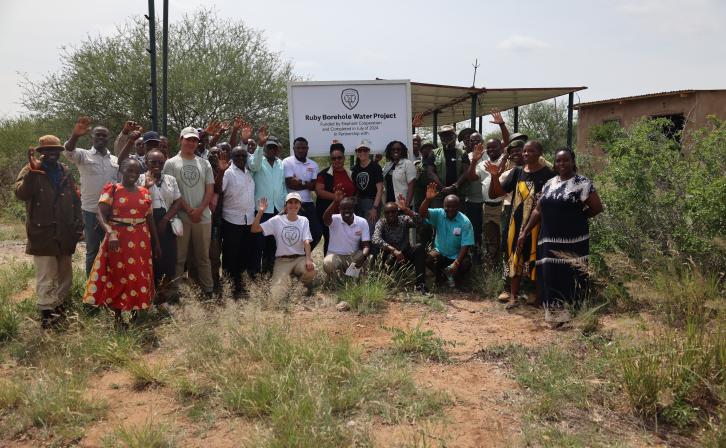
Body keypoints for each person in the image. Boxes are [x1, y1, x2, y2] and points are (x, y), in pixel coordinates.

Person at [517, 148, 603, 326]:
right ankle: (553, 316)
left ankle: (574, 315)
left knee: (572, 274)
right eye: (558, 161)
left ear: (573, 162)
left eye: (566, 160)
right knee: (550, 275)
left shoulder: (582, 183)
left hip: (574, 240)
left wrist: (576, 218)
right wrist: (524, 232)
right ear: (554, 163)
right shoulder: (549, 183)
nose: (562, 164)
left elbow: (596, 208)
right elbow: (538, 210)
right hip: (548, 239)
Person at [15, 135, 83, 328]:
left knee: (65, 276)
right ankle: (47, 315)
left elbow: (75, 199)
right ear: (41, 152)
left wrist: (78, 225)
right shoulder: (30, 169)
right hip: (42, 232)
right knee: (46, 275)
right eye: (48, 150)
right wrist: (33, 174)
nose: (52, 154)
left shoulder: (65, 171)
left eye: (55, 150)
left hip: (65, 232)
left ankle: (59, 308)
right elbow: (21, 194)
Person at [83, 158, 160, 326]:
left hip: (141, 241)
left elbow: (150, 219)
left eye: (136, 171)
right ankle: (117, 317)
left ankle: (134, 313)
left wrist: (156, 242)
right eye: (129, 170)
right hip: (117, 240)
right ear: (121, 171)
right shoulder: (113, 189)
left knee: (137, 276)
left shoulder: (144, 192)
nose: (132, 174)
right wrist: (110, 233)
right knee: (117, 276)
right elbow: (100, 215)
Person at [487, 140, 555, 308]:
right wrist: (495, 176)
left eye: (530, 151)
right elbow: (496, 193)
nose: (525, 154)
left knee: (537, 258)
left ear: (540, 153)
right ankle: (513, 297)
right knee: (514, 257)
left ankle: (538, 298)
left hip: (539, 224)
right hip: (516, 224)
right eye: (524, 151)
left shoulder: (549, 174)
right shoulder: (517, 172)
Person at [162, 126, 215, 296]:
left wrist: (199, 210)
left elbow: (210, 189)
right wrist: (189, 210)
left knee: (203, 258)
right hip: (181, 218)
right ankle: (176, 292)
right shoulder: (170, 163)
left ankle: (208, 290)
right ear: (181, 139)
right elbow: (171, 191)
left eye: (195, 140)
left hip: (203, 217)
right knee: (179, 258)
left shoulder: (204, 163)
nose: (191, 143)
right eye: (188, 139)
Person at [64, 116, 119, 276]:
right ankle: (91, 290)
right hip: (91, 212)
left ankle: (108, 286)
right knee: (92, 251)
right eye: (98, 135)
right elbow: (68, 151)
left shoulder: (114, 160)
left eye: (104, 135)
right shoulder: (83, 155)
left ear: (108, 138)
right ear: (92, 137)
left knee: (112, 250)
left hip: (112, 212)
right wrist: (75, 135)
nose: (101, 138)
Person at [461, 111, 510, 264]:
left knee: (505, 240)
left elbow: (508, 141)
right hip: (487, 208)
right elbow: (471, 177)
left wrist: (501, 124)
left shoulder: (505, 159)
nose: (491, 150)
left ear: (501, 148)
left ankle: (507, 268)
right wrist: (474, 161)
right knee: (490, 240)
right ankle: (491, 269)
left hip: (503, 207)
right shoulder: (483, 164)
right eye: (489, 148)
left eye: (495, 147)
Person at [251, 193, 315, 299]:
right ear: (286, 205)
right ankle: (287, 283)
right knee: (277, 296)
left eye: (296, 202)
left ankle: (299, 287)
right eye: (290, 202)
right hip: (282, 261)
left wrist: (308, 259)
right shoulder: (277, 220)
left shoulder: (304, 220)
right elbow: (254, 229)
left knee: (311, 271)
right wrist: (261, 211)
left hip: (299, 259)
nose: (293, 205)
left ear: (300, 205)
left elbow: (306, 241)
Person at [138, 148, 182, 296]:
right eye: (153, 162)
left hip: (166, 222)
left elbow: (177, 201)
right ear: (146, 162)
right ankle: (148, 293)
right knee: (149, 258)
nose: (157, 165)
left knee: (167, 258)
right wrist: (145, 188)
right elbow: (134, 202)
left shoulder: (171, 179)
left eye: (160, 162)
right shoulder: (138, 179)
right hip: (145, 223)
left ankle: (164, 295)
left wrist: (165, 219)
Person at [419, 183, 474, 289]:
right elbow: (422, 213)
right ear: (443, 206)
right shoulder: (439, 214)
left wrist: (457, 263)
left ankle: (457, 279)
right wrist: (427, 199)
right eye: (447, 206)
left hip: (456, 255)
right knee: (429, 259)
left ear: (458, 207)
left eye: (453, 207)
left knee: (466, 263)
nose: (450, 209)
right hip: (441, 252)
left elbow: (465, 245)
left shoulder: (465, 221)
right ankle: (442, 276)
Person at [220, 146, 257, 297]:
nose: (241, 158)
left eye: (243, 156)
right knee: (230, 256)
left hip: (248, 220)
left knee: (244, 254)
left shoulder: (249, 172)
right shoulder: (228, 173)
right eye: (237, 156)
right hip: (231, 220)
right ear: (232, 157)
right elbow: (219, 191)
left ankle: (240, 286)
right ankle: (229, 288)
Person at [372, 197, 426, 293]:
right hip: (389, 257)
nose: (391, 214)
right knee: (376, 249)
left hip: (405, 255)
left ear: (398, 212)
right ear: (384, 214)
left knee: (419, 248)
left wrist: (406, 210)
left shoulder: (404, 219)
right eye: (388, 213)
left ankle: (420, 284)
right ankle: (376, 281)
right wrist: (393, 250)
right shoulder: (381, 222)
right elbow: (375, 239)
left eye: (393, 212)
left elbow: (421, 222)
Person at [322, 189, 370, 283]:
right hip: (335, 255)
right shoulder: (334, 219)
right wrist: (336, 201)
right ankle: (335, 279)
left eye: (349, 208)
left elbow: (366, 245)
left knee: (364, 257)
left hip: (352, 256)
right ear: (339, 209)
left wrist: (363, 255)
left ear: (354, 209)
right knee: (328, 263)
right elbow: (325, 218)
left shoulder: (362, 222)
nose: (347, 211)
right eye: (344, 209)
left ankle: (350, 277)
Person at [315, 142, 355, 255]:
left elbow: (355, 191)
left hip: (347, 214)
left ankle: (346, 267)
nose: (337, 160)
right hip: (329, 215)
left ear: (344, 158)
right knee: (329, 240)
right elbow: (319, 191)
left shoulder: (350, 173)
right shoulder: (323, 174)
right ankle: (329, 267)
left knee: (347, 239)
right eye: (334, 158)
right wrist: (337, 198)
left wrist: (351, 200)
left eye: (339, 158)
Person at [283, 137, 322, 249]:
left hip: (308, 203)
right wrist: (306, 184)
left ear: (307, 149)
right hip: (292, 203)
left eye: (303, 148)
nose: (301, 150)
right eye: (298, 148)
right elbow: (290, 183)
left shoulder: (313, 165)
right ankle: (296, 257)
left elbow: (313, 186)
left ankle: (304, 254)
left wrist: (299, 181)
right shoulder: (287, 162)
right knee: (295, 233)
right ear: (293, 148)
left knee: (316, 232)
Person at [426, 125, 468, 206]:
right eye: (443, 135)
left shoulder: (462, 153)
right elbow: (430, 173)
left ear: (455, 136)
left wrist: (454, 186)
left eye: (449, 134)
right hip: (439, 194)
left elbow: (466, 172)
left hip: (457, 193)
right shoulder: (433, 153)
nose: (446, 137)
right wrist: (443, 188)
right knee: (439, 216)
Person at [351, 139, 383, 235]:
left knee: (370, 230)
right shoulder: (355, 169)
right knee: (359, 231)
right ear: (356, 153)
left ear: (369, 151)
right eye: (359, 151)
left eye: (364, 150)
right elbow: (356, 188)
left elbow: (380, 189)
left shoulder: (375, 167)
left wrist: (374, 208)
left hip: (372, 202)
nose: (362, 153)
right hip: (359, 203)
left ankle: (373, 250)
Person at [382, 140, 417, 207]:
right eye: (393, 149)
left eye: (398, 149)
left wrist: (407, 205)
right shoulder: (387, 165)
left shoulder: (408, 164)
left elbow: (411, 186)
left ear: (403, 151)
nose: (396, 151)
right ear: (390, 151)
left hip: (402, 204)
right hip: (389, 204)